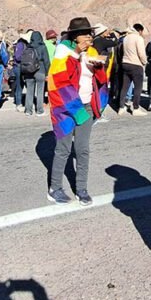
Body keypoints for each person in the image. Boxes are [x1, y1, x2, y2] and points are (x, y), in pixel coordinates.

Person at [47, 17, 109, 206]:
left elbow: (98, 79)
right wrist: (76, 54)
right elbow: (59, 82)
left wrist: (99, 67)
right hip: (65, 109)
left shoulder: (91, 51)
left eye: (90, 33)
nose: (89, 37)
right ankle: (54, 188)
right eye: (85, 34)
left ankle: (81, 188)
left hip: (86, 106)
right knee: (63, 149)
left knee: (82, 150)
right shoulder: (63, 53)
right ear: (75, 37)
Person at [119, 23, 148, 115]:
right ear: (139, 31)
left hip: (125, 63)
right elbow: (141, 53)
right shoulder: (138, 38)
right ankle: (135, 108)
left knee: (125, 86)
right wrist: (144, 62)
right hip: (136, 64)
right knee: (138, 87)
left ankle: (121, 107)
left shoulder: (126, 38)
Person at [24, 30, 51, 116]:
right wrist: (48, 73)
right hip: (40, 71)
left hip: (28, 71)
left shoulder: (27, 47)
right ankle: (39, 111)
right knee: (40, 91)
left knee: (29, 91)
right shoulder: (42, 47)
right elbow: (46, 61)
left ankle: (28, 110)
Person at [11, 31, 31, 112]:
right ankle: (18, 103)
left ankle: (22, 102)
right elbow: (18, 57)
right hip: (19, 66)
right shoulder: (21, 44)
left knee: (22, 85)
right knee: (19, 85)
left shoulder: (23, 44)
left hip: (21, 66)